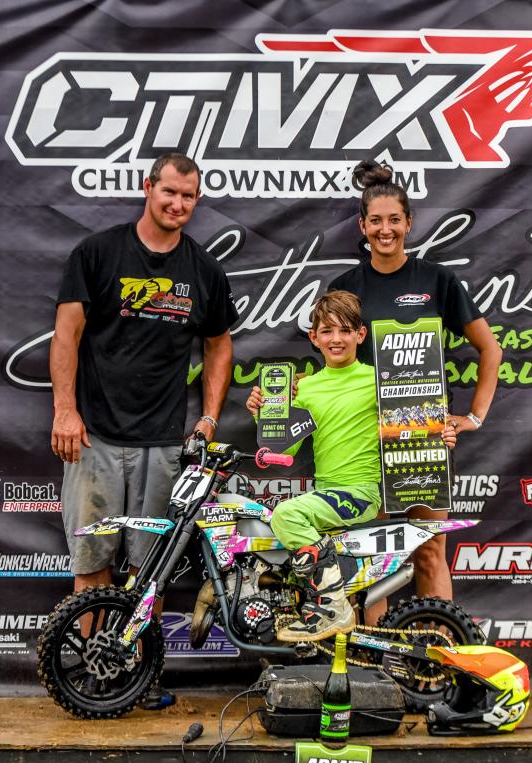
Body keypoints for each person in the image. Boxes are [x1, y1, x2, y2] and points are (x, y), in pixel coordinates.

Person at [50, 152, 236, 708]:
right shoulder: (97, 253)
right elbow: (66, 335)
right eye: (169, 192)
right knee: (94, 566)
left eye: (189, 197)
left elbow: (219, 344)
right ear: (147, 187)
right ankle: (96, 674)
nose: (178, 204)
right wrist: (64, 410)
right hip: (96, 438)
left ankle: (135, 672)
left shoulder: (204, 270)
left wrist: (207, 417)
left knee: (145, 571)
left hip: (164, 443)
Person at [329, 159, 503, 609]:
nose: (385, 230)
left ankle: (438, 665)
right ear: (361, 226)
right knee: (371, 557)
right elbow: (331, 366)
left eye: (394, 220)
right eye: (375, 221)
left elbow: (491, 349)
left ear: (409, 222)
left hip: (423, 433)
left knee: (429, 551)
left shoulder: (437, 280)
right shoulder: (346, 287)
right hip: (362, 437)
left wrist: (474, 417)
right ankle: (372, 674)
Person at [246, 291, 382, 641]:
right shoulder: (306, 389)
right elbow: (284, 448)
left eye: (344, 330)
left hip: (361, 493)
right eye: (327, 331)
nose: (336, 339)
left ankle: (335, 608)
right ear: (314, 337)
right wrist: (265, 414)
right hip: (327, 494)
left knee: (287, 516)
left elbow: (411, 423)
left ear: (360, 335)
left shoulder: (378, 381)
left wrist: (441, 429)